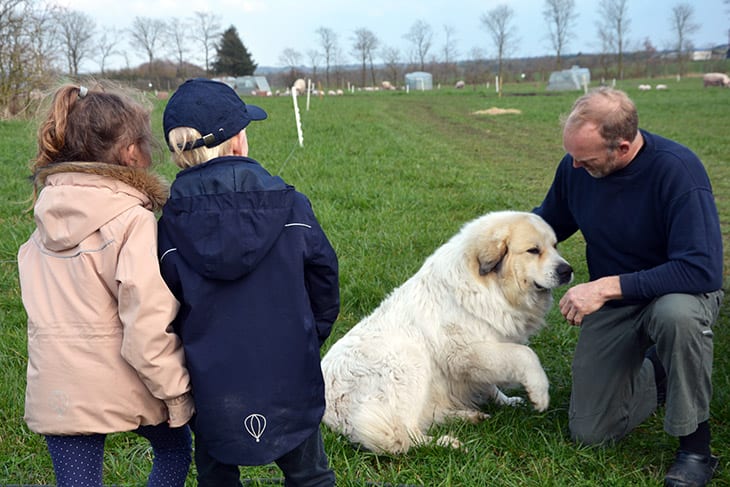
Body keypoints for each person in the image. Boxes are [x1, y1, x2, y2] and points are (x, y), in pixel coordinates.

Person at [533, 87, 723, 487]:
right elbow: (548, 221)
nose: (574, 166)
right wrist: (494, 236)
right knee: (591, 432)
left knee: (677, 318)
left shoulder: (678, 171)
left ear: (622, 148)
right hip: (618, 303)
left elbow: (702, 270)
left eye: (585, 159)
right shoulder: (575, 168)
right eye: (572, 156)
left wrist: (603, 288)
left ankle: (695, 449)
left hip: (676, 294)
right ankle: (658, 373)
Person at [157, 78, 339, 487]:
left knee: (216, 477)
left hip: (210, 390)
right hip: (291, 381)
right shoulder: (292, 205)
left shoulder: (167, 228)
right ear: (238, 143)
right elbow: (325, 283)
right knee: (310, 477)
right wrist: (306, 338)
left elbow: (161, 310)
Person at [17, 82, 195, 486]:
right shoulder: (132, 221)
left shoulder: (43, 220)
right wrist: (177, 395)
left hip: (59, 391)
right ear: (132, 152)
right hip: (126, 382)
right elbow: (147, 325)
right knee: (174, 451)